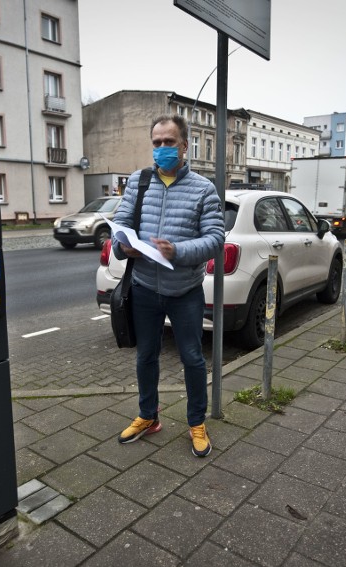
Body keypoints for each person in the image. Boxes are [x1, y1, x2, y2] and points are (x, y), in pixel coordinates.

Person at [112, 114, 224, 457]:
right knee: (146, 356)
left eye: (169, 142)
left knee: (192, 358)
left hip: (185, 291)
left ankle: (195, 423)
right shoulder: (139, 181)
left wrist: (177, 252)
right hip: (145, 287)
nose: (161, 148)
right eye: (156, 143)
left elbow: (216, 239)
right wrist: (122, 245)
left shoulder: (203, 189)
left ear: (184, 146)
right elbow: (120, 223)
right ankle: (148, 416)